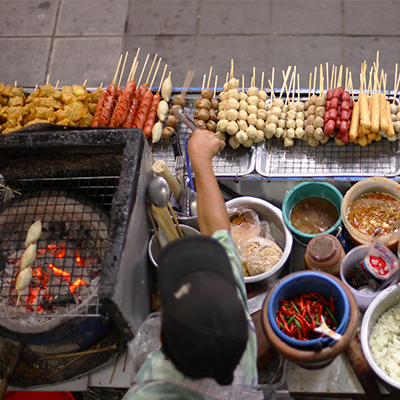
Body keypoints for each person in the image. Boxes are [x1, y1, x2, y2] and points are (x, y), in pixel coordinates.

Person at [122, 129, 264, 399]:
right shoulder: (239, 345)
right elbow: (219, 230)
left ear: (161, 339)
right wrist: (200, 159)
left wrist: (199, 156)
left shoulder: (145, 393)